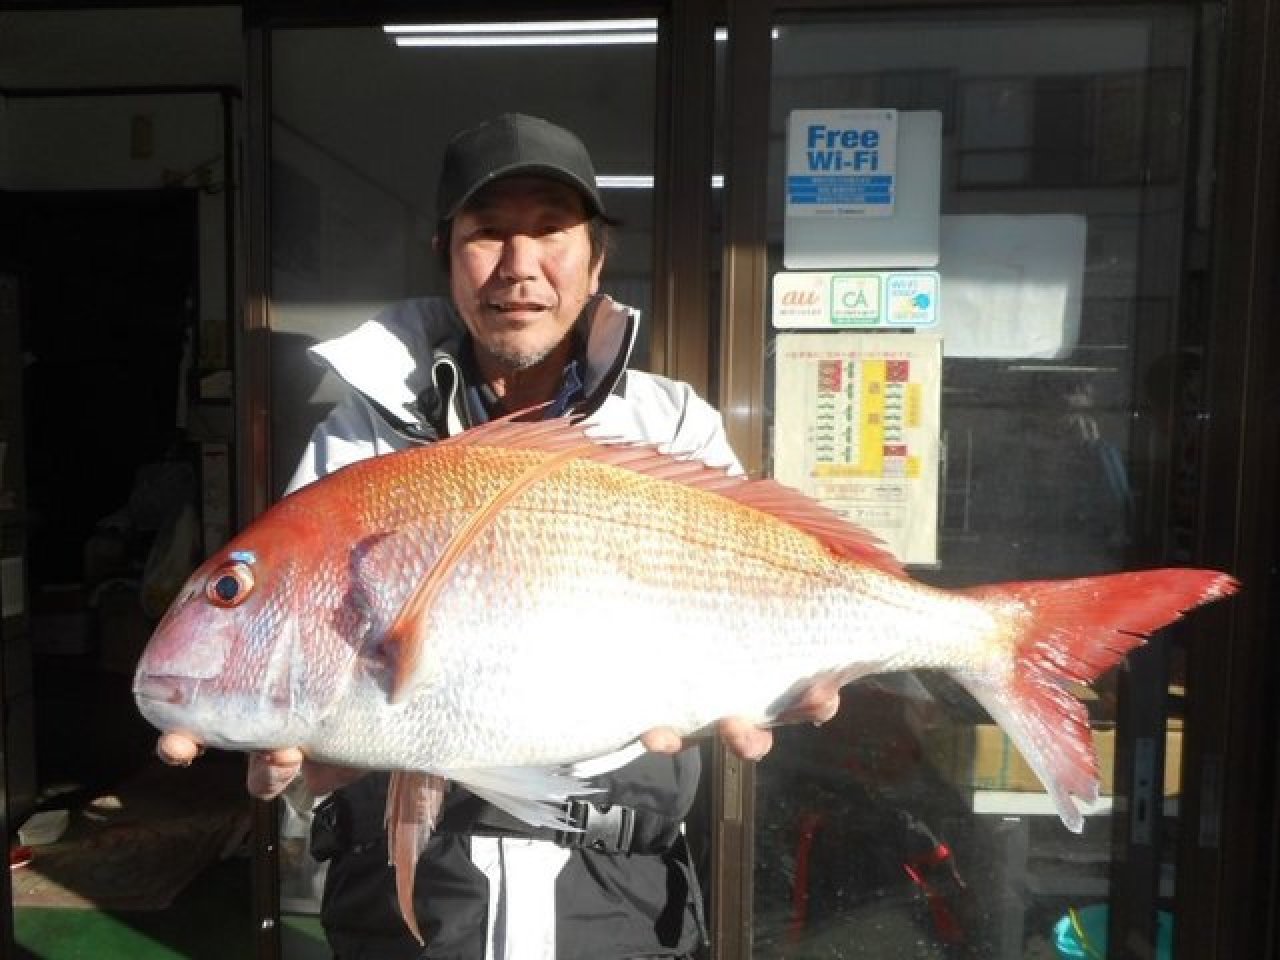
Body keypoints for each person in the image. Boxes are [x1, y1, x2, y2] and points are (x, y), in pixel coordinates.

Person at [235, 113, 840, 960]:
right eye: (487, 233)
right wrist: (297, 766)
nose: (519, 265)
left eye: (552, 230)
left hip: (621, 900)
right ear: (446, 255)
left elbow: (755, 603)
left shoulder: (670, 425)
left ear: (595, 260)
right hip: (407, 900)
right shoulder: (360, 439)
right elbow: (308, 665)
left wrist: (806, 664)